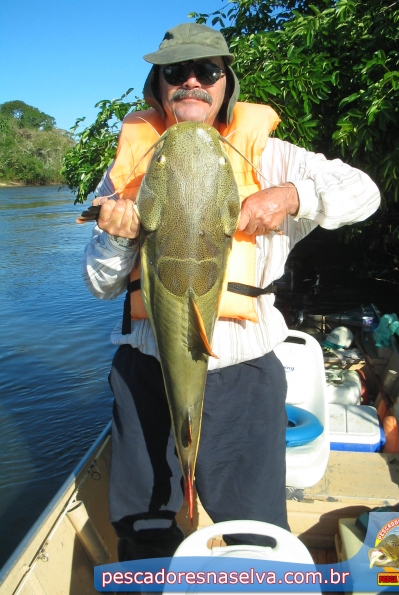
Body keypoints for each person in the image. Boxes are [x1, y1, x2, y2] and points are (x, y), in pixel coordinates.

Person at [82, 22, 380, 561]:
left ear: (227, 83)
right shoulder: (128, 167)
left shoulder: (272, 157)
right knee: (144, 529)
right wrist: (116, 237)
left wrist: (290, 196)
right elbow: (101, 285)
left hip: (243, 378)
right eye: (176, 71)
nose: (192, 81)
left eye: (207, 70)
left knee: (253, 531)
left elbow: (366, 192)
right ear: (157, 86)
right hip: (145, 373)